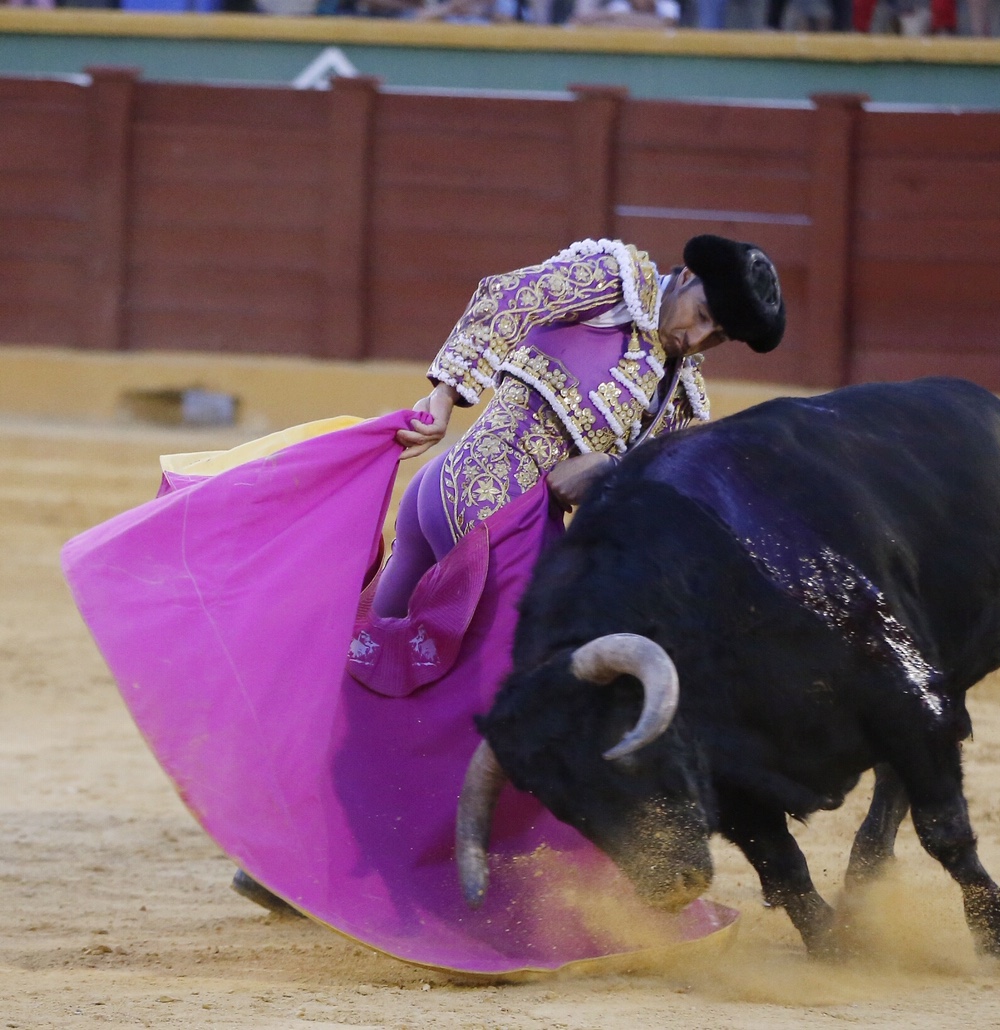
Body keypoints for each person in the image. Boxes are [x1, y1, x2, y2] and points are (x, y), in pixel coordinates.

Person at [230, 234, 786, 913]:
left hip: (487, 519)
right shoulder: (614, 280)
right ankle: (434, 875)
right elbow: (507, 299)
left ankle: (286, 864)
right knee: (511, 703)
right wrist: (442, 396)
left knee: (371, 680)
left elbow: (654, 497)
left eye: (716, 335)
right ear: (687, 274)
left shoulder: (682, 399)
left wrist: (603, 480)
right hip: (477, 512)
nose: (697, 337)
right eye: (701, 314)